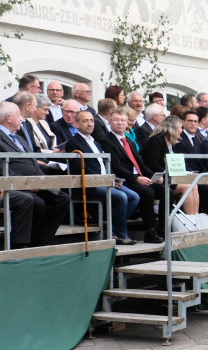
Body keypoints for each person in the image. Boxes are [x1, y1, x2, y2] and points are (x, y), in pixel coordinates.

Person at [64, 109, 140, 245]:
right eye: (85, 121)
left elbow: (105, 165)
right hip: (89, 184)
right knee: (121, 197)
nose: (89, 124)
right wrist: (105, 180)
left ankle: (114, 230)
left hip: (106, 181)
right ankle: (121, 234)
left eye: (91, 121)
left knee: (134, 196)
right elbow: (81, 167)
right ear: (76, 124)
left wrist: (114, 178)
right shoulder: (73, 143)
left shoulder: (96, 142)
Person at [0, 102, 70, 247]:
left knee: (61, 198)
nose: (22, 119)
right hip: (13, 185)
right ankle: (20, 246)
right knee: (35, 202)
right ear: (9, 118)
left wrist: (41, 179)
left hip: (34, 183)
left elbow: (31, 162)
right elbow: (2, 167)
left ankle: (42, 241)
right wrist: (24, 183)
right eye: (18, 115)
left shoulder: (19, 138)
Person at [103, 110, 163, 242]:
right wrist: (136, 178)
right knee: (147, 192)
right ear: (109, 122)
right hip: (124, 179)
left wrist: (154, 176)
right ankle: (150, 232)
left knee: (165, 190)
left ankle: (163, 229)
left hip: (139, 177)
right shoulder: (106, 141)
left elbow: (141, 164)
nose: (120, 123)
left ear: (127, 123)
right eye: (116, 120)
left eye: (123, 120)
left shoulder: (129, 141)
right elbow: (116, 167)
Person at [141, 115, 200, 217]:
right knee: (188, 187)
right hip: (156, 179)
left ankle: (194, 218)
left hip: (169, 177)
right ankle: (191, 219)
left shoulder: (170, 142)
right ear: (173, 128)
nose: (181, 130)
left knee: (194, 185)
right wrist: (170, 172)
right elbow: (152, 164)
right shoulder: (156, 140)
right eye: (180, 127)